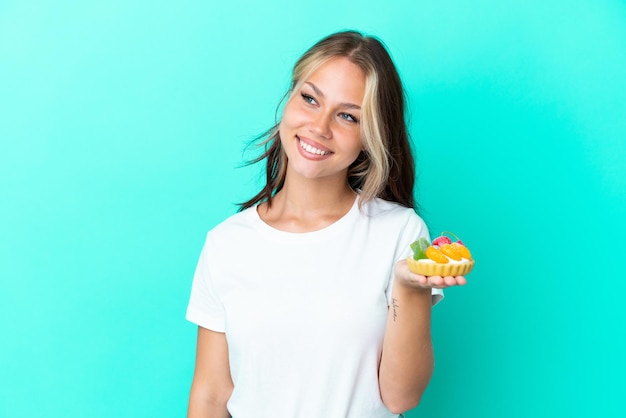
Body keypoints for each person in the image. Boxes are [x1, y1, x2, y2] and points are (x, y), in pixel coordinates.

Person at [186, 30, 466, 418]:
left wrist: (408, 286)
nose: (319, 126)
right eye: (310, 99)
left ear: (370, 137)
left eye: (348, 115)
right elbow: (211, 397)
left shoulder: (400, 233)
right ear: (289, 98)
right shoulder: (226, 244)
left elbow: (402, 398)